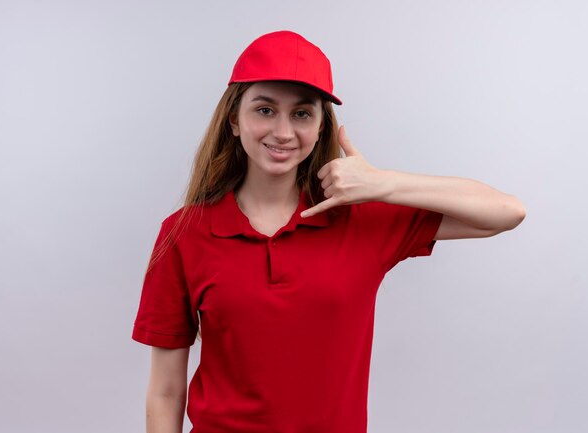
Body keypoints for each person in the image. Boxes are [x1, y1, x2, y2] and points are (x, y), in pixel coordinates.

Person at [132, 30, 525, 433]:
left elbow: (505, 212)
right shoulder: (183, 234)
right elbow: (165, 391)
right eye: (264, 110)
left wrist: (383, 184)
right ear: (234, 120)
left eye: (302, 114)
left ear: (321, 127)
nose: (283, 132)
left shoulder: (359, 219)